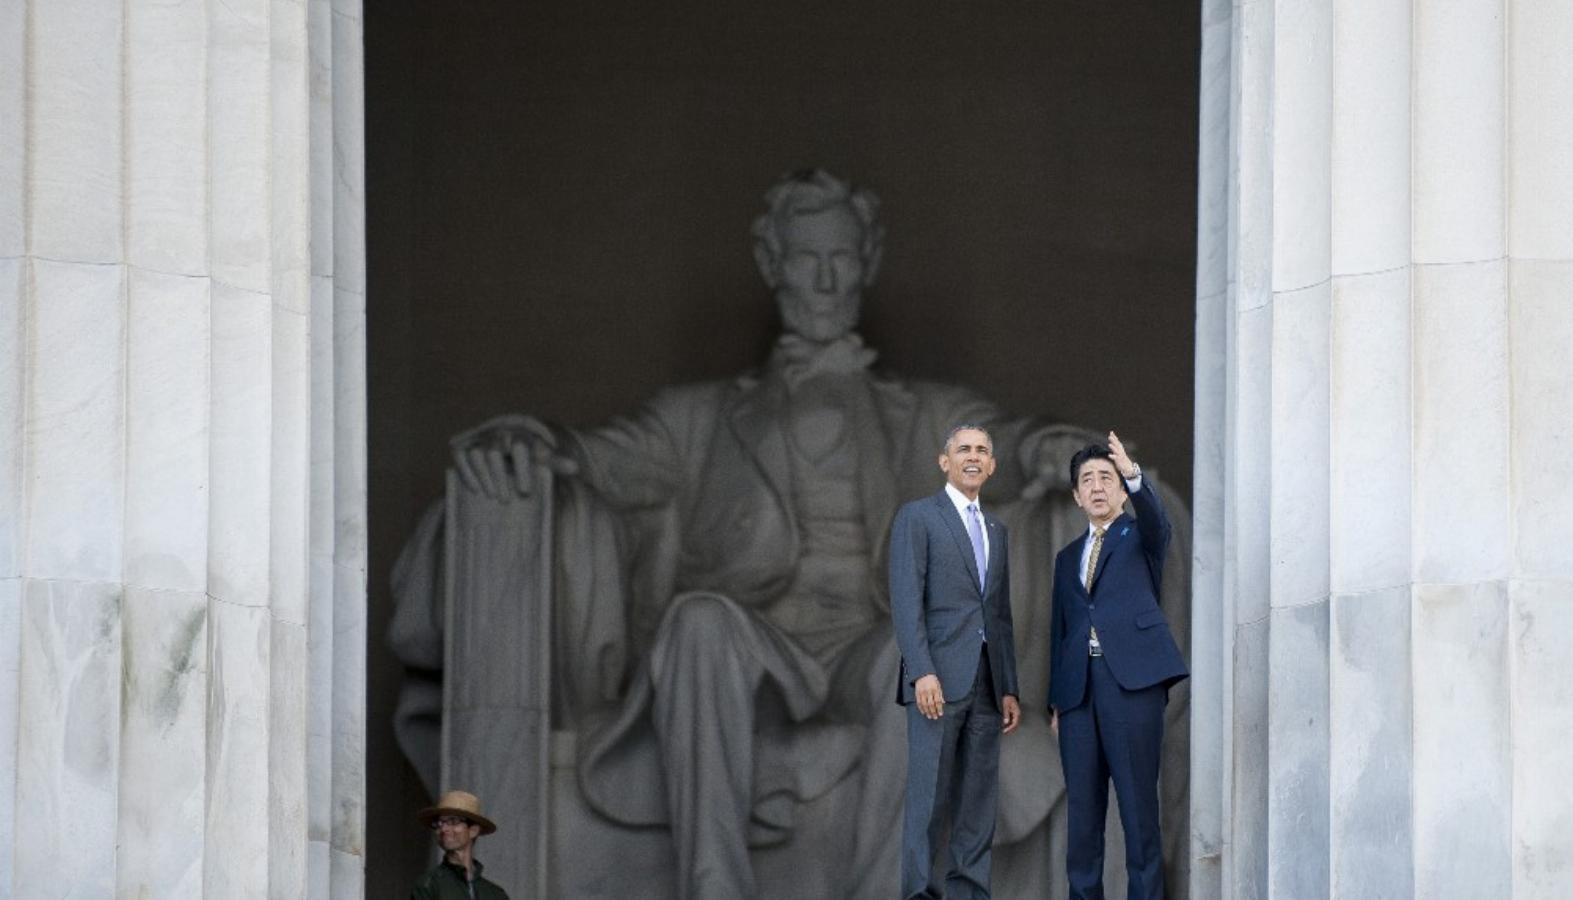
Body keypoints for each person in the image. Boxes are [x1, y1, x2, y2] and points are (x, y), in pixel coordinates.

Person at [392, 169, 1084, 898]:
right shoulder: (702, 416)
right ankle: (712, 883)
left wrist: (1055, 451)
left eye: (841, 258)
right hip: (755, 655)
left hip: (869, 646)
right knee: (697, 622)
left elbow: (1005, 444)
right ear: (771, 263)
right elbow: (603, 458)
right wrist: (532, 442)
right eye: (806, 258)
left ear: (867, 262)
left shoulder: (923, 415)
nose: (823, 280)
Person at [1047, 432, 1188, 900]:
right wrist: (1056, 701)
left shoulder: (1139, 537)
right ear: (1076, 495)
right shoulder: (1067, 558)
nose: (1097, 487)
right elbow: (1060, 630)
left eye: (1105, 478)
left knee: (1138, 814)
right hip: (1078, 695)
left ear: (1120, 488)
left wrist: (1132, 472)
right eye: (1087, 480)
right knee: (1083, 823)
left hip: (1131, 688)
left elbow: (1158, 522)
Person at [890, 425, 1023, 899]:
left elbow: (999, 614)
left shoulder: (997, 531)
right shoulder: (919, 516)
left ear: (992, 466)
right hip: (937, 682)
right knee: (928, 801)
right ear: (943, 461)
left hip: (987, 685)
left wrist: (1008, 685)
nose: (973, 457)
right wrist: (921, 670)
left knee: (977, 806)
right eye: (963, 449)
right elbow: (906, 601)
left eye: (982, 451)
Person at [409, 790, 511, 900]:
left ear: (473, 830)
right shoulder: (428, 886)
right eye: (439, 823)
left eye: (453, 821)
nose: (444, 829)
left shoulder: (496, 895)